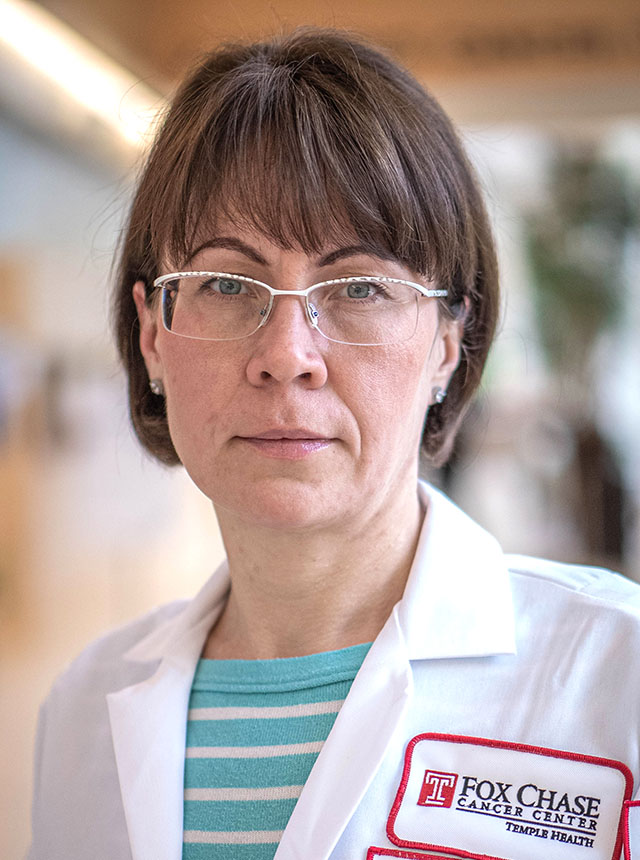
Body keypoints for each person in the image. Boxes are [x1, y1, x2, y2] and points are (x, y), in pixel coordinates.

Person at [28, 27, 640, 860]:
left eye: (358, 286)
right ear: (150, 335)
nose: (287, 355)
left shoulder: (616, 676)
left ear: (448, 344)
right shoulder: (81, 713)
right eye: (225, 284)